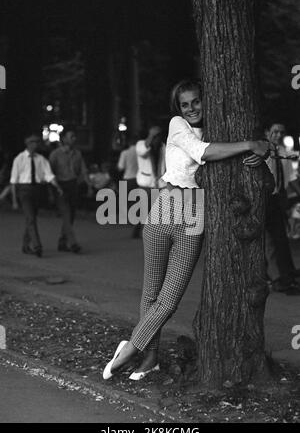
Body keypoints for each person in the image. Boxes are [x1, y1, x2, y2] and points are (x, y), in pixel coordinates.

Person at [102, 79, 270, 381]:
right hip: (163, 209)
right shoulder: (177, 124)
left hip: (194, 217)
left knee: (169, 298)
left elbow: (237, 150)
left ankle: (130, 348)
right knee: (151, 292)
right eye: (186, 103)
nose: (192, 108)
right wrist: (249, 145)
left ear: (208, 100)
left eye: (196, 101)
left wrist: (264, 148)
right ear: (178, 108)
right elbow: (200, 151)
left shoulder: (222, 130)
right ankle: (150, 357)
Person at [10, 133, 62, 257]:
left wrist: (57, 186)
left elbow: (48, 175)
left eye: (36, 143)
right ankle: (37, 245)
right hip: (24, 190)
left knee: (31, 217)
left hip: (37, 190)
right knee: (31, 218)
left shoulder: (41, 159)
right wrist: (14, 200)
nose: (35, 145)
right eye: (32, 142)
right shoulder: (19, 159)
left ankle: (25, 245)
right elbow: (13, 181)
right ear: (27, 144)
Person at [265, 122, 300, 296]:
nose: (278, 135)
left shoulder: (283, 154)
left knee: (280, 239)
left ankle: (285, 274)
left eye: (281, 132)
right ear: (267, 133)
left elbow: (291, 178)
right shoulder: (262, 153)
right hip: (264, 199)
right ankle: (279, 278)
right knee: (272, 240)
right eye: (274, 131)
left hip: (277, 198)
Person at [49, 127, 91, 253]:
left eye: (74, 136)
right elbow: (50, 173)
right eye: (71, 136)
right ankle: (72, 243)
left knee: (71, 215)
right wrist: (53, 189)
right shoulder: (55, 154)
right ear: (64, 139)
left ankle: (62, 242)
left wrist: (88, 185)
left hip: (73, 185)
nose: (74, 139)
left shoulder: (77, 153)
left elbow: (83, 170)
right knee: (66, 214)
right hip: (60, 186)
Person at [132, 126, 167, 238]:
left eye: (158, 136)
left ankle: (155, 232)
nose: (157, 139)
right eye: (154, 136)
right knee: (144, 209)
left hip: (160, 183)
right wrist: (151, 136)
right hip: (145, 183)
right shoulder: (141, 144)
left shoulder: (163, 146)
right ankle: (137, 230)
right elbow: (142, 152)